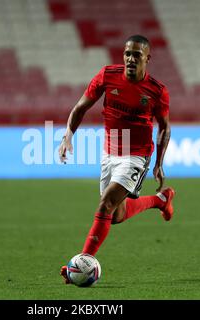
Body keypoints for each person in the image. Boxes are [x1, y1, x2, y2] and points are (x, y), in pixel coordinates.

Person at [58, 35, 175, 284]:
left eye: (136, 55)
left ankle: (81, 264)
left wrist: (159, 163)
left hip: (136, 156)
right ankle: (160, 200)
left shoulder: (156, 90)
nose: (131, 59)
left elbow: (165, 127)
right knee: (115, 216)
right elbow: (80, 107)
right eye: (127, 53)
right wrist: (68, 136)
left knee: (104, 205)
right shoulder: (107, 76)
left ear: (147, 58)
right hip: (109, 153)